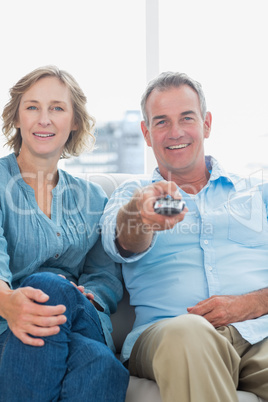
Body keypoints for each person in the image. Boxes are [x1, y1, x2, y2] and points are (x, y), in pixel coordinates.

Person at [100, 71, 268, 402]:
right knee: (189, 333)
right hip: (169, 337)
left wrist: (253, 302)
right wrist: (140, 214)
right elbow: (122, 240)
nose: (175, 132)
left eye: (186, 118)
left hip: (260, 334)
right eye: (161, 122)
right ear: (147, 134)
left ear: (206, 123)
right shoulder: (131, 195)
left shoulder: (256, 193)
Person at [0, 65, 129, 402]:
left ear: (74, 121)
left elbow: (104, 275)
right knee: (101, 364)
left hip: (81, 316)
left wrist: (88, 296)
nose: (44, 119)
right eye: (32, 107)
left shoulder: (93, 198)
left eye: (57, 108)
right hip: (8, 325)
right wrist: (7, 301)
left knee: (49, 286)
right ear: (16, 118)